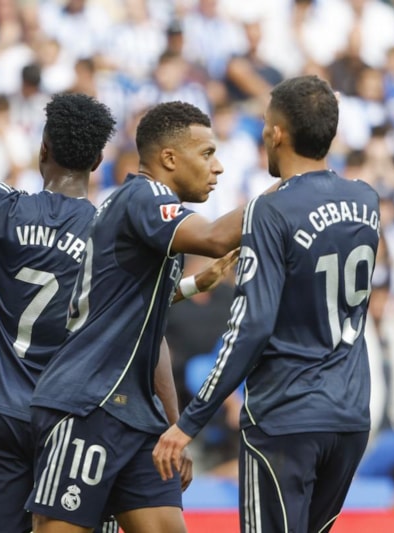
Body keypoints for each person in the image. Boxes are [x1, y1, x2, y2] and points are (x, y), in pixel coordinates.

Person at [0, 49, 234, 533]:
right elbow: (139, 325)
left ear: (42, 150)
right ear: (98, 160)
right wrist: (175, 422)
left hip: (1, 413)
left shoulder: (1, 207)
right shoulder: (111, 230)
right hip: (80, 415)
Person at [154, 75, 381, 533]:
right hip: (350, 417)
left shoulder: (270, 211)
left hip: (286, 415)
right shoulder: (367, 200)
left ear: (277, 134)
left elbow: (250, 326)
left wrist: (189, 422)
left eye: (264, 124)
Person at [24, 100, 248, 533]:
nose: (217, 167)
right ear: (169, 158)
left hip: (136, 413)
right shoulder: (145, 196)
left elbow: (147, 325)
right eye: (207, 153)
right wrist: (290, 191)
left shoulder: (150, 225)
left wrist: (174, 427)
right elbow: (215, 237)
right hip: (88, 403)